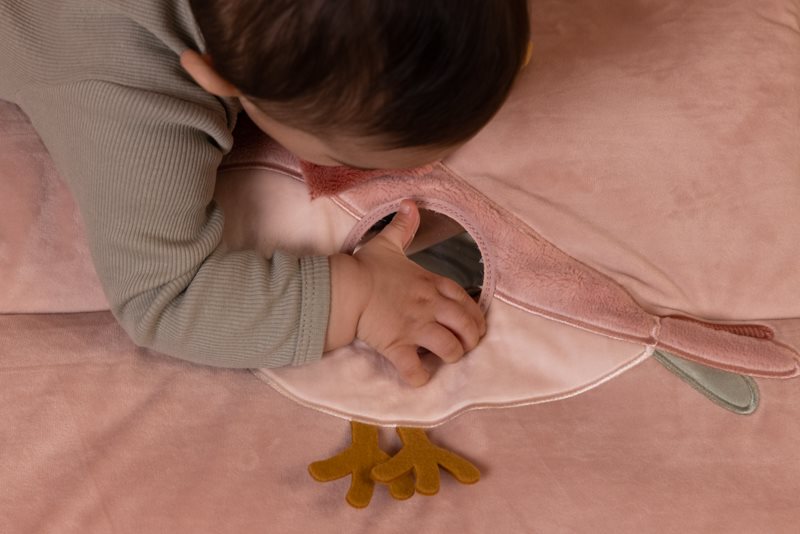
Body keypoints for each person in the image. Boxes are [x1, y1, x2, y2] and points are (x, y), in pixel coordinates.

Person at [0, 0, 530, 386]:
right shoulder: (127, 88)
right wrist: (360, 294)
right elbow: (164, 297)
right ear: (215, 78)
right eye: (354, 159)